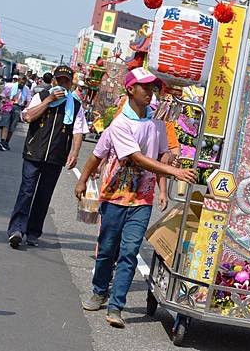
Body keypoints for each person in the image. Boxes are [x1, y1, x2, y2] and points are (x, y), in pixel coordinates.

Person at [75, 67, 197, 328]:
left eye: (152, 87)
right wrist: (83, 179)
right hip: (114, 196)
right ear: (130, 89)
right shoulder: (120, 124)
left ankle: (116, 306)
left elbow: (160, 157)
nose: (150, 92)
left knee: (130, 251)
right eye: (145, 87)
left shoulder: (158, 123)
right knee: (108, 249)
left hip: (142, 199)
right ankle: (99, 291)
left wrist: (163, 187)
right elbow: (131, 158)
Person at [6, 65, 88, 248]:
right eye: (59, 80)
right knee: (27, 191)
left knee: (44, 195)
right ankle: (16, 230)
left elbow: (78, 131)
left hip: (56, 157)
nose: (62, 84)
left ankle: (34, 232)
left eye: (66, 81)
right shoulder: (41, 96)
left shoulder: (75, 105)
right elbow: (28, 117)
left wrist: (74, 153)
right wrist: (49, 100)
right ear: (54, 81)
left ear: (71, 83)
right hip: (34, 153)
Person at [0, 74, 32, 151]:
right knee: (5, 123)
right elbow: (3, 95)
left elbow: (29, 100)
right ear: (18, 80)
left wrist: (26, 107)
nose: (22, 85)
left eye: (24, 83)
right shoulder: (10, 86)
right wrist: (5, 100)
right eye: (21, 83)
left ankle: (6, 142)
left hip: (17, 107)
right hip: (8, 105)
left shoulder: (26, 89)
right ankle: (2, 141)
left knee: (12, 126)